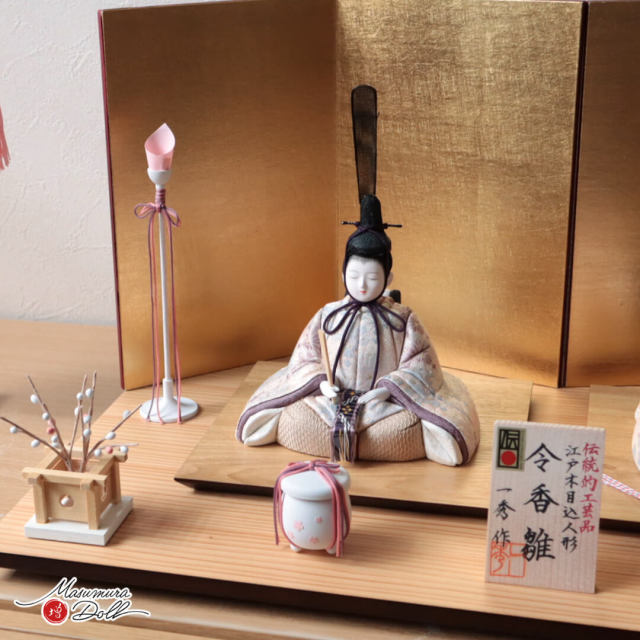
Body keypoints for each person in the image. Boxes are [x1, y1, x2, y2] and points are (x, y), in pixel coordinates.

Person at [236, 193, 480, 465]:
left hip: (384, 406)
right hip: (328, 401)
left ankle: (365, 441)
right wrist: (321, 383)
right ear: (343, 276)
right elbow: (305, 357)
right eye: (354, 276)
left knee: (401, 431)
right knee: (297, 421)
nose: (362, 285)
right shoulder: (328, 315)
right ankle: (355, 444)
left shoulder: (403, 318)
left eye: (372, 277)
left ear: (388, 278)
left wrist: (388, 389)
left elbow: (421, 364)